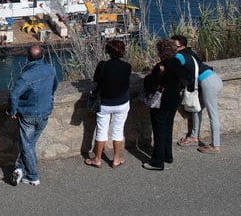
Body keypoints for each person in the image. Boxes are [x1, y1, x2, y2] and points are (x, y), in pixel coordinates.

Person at [8, 44, 58, 185]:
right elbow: (54, 86)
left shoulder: (26, 75)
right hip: (45, 112)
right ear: (43, 56)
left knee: (27, 146)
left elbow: (14, 95)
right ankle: (20, 168)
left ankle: (33, 176)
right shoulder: (51, 69)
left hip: (28, 114)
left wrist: (12, 110)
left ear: (28, 58)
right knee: (30, 144)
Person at [172, 34, 223, 153]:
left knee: (212, 114)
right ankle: (194, 137)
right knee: (196, 108)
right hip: (209, 79)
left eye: (173, 45)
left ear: (181, 46)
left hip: (208, 82)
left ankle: (216, 145)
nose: (171, 47)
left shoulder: (180, 55)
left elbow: (173, 67)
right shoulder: (189, 52)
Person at [85, 39, 132, 169]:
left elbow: (96, 80)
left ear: (108, 52)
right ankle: (116, 159)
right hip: (122, 102)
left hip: (104, 103)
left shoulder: (102, 65)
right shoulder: (127, 66)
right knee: (118, 130)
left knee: (101, 130)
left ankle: (97, 159)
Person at [142, 38, 185, 171]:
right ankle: (168, 155)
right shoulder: (178, 63)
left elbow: (151, 85)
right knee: (168, 128)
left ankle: (157, 161)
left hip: (161, 102)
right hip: (174, 100)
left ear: (161, 51)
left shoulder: (160, 66)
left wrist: (148, 76)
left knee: (159, 131)